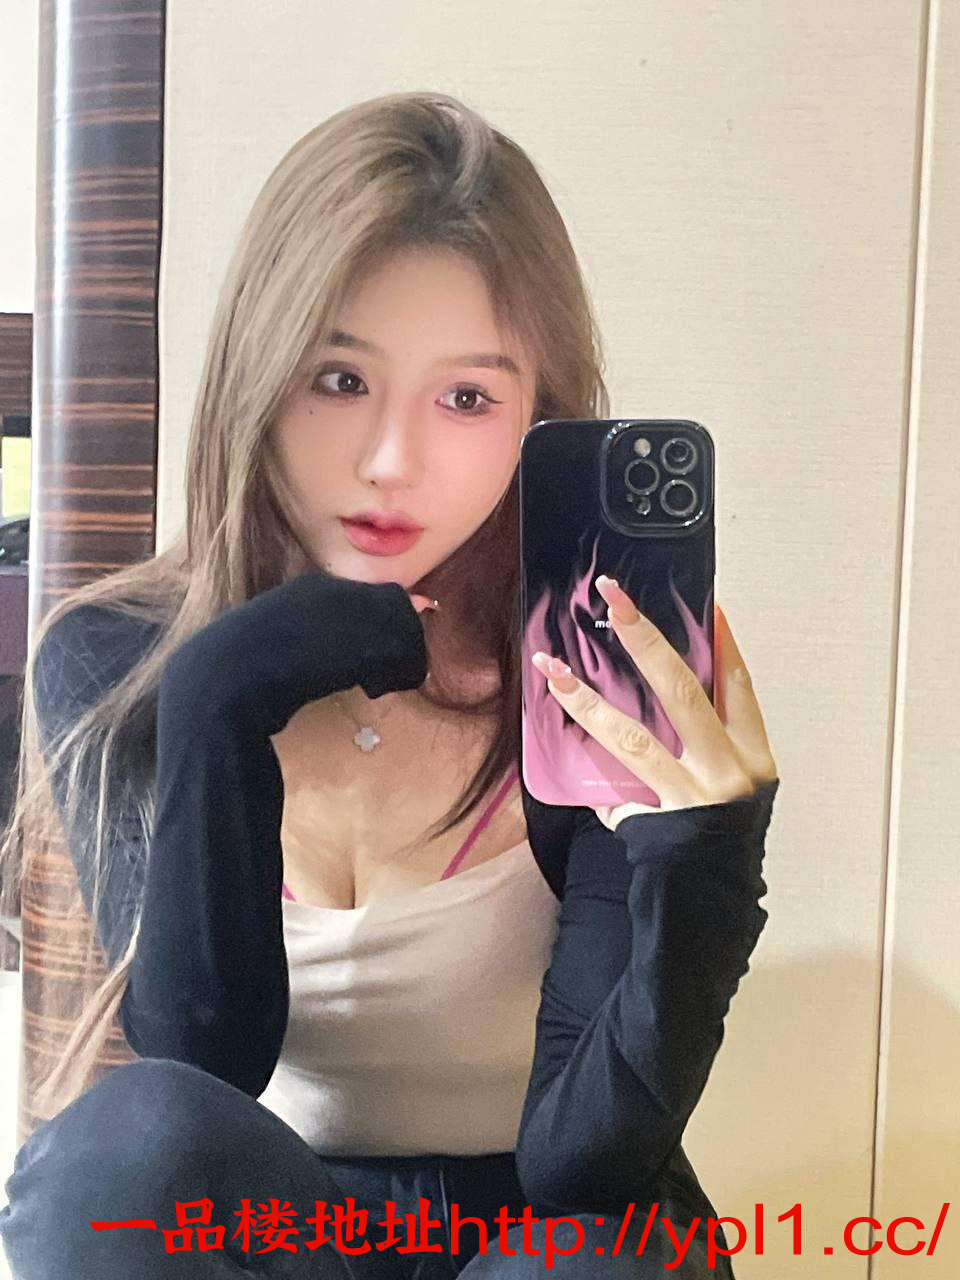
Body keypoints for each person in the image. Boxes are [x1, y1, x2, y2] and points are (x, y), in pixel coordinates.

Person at [0, 91, 780, 1279]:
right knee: (113, 1165)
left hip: (550, 1230)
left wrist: (707, 860)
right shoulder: (117, 658)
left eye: (466, 397)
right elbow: (201, 1071)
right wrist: (216, 699)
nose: (389, 460)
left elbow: (585, 1159)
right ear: (260, 373)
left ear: (536, 415)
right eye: (338, 377)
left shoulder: (593, 668)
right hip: (288, 1230)